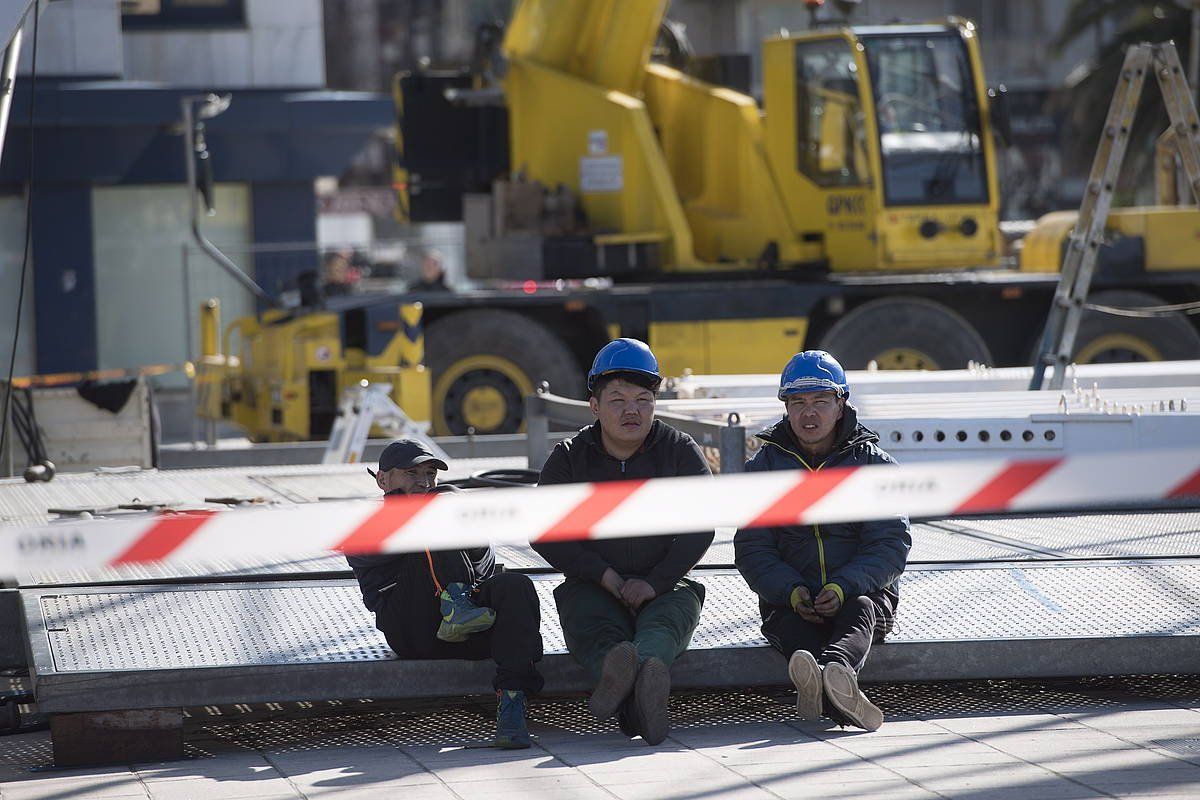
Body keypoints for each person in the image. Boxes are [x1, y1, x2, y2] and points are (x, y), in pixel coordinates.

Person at [533, 338, 714, 746]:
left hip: (665, 584)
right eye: (617, 399)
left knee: (667, 622)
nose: (632, 410)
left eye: (643, 398)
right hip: (595, 585)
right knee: (589, 623)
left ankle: (640, 675)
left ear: (655, 401)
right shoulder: (569, 458)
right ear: (594, 406)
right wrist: (604, 575)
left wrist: (656, 581)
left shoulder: (680, 451)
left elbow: (702, 525)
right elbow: (543, 530)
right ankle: (630, 679)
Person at [734, 350, 910, 731]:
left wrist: (842, 586)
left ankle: (831, 671)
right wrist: (792, 590)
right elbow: (753, 549)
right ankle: (834, 686)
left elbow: (890, 544)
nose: (808, 414)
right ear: (785, 407)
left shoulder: (874, 466)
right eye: (797, 403)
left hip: (861, 594)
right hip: (792, 600)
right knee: (787, 623)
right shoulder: (762, 469)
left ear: (841, 402)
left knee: (860, 608)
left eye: (819, 401)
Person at [346, 439, 544, 748]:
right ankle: (457, 610)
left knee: (516, 586)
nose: (424, 483)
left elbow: (484, 568)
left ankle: (512, 706)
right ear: (383, 480)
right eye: (412, 474)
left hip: (472, 627)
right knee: (434, 513)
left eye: (430, 475)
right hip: (416, 631)